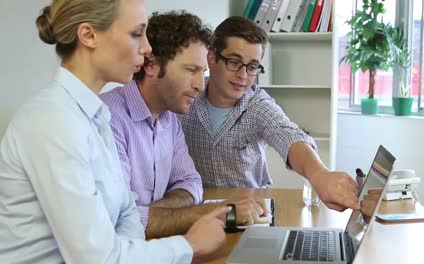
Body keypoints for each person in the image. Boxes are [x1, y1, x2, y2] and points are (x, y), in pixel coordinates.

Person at [0, 1, 229, 263]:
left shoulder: (95, 115)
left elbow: (127, 215)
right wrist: (190, 245)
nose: (147, 49)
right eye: (135, 34)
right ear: (88, 35)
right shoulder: (53, 121)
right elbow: (98, 259)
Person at [100, 10, 267, 239]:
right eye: (191, 70)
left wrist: (156, 214)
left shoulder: (170, 120)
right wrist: (223, 213)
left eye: (203, 72)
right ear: (151, 65)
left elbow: (190, 182)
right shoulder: (108, 119)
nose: (200, 85)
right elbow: (121, 224)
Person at [180, 16, 360, 212]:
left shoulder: (257, 104)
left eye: (253, 67)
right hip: (196, 213)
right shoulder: (186, 98)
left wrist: (319, 174)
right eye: (234, 62)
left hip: (250, 213)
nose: (243, 76)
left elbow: (289, 135)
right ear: (212, 59)